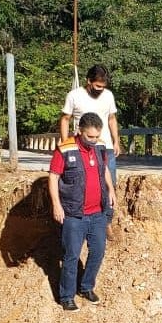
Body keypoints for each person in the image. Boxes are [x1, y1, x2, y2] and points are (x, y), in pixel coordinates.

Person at [48, 112, 116, 311]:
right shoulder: (65, 149)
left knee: (98, 251)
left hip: (98, 214)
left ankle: (86, 287)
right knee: (71, 255)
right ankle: (66, 296)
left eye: (97, 136)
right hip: (74, 215)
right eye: (90, 137)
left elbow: (104, 170)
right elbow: (53, 177)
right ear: (80, 131)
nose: (94, 141)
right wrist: (56, 204)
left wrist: (111, 190)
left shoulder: (100, 146)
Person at [59, 64, 120, 239]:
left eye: (103, 86)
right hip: (81, 147)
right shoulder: (74, 96)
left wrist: (116, 141)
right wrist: (65, 144)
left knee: (109, 184)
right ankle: (79, 221)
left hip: (105, 147)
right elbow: (65, 119)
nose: (100, 90)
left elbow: (112, 118)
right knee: (82, 184)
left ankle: (106, 222)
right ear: (88, 81)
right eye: (97, 86)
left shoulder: (108, 96)